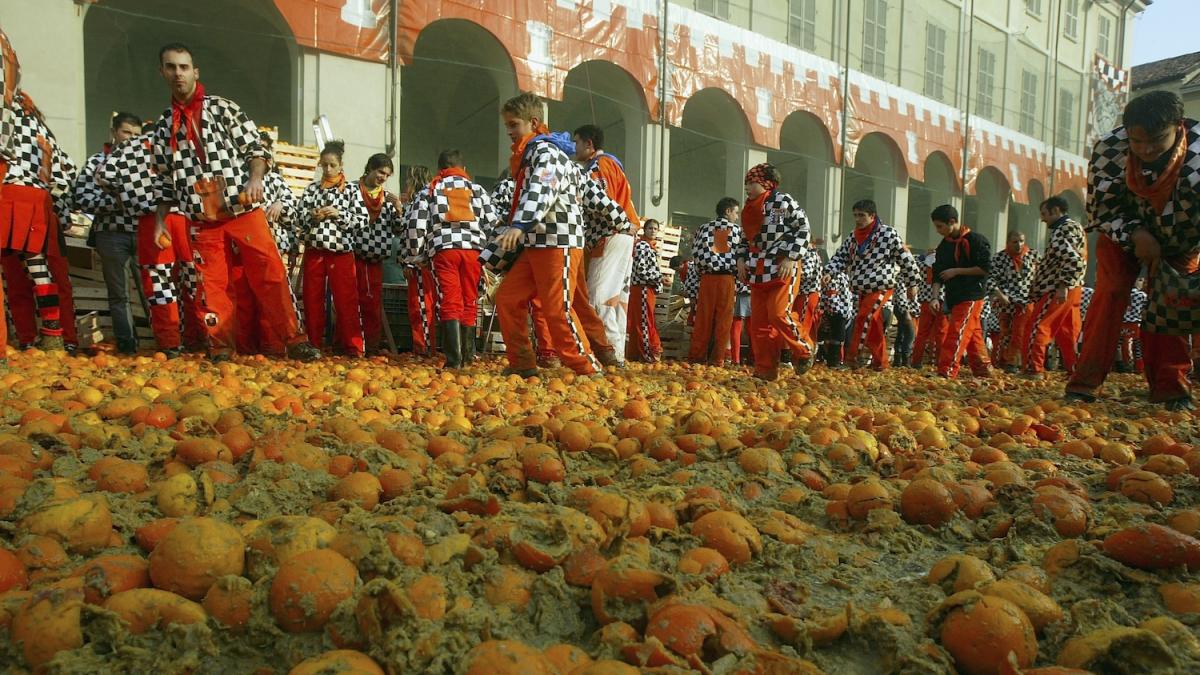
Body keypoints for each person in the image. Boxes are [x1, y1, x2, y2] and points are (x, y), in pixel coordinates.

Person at [150, 43, 318, 361]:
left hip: (242, 209)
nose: (178, 74)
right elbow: (163, 181)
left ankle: (295, 341)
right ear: (162, 72)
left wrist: (256, 178)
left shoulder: (222, 108)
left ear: (195, 72)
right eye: (171, 67)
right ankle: (220, 348)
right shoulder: (162, 128)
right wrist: (160, 220)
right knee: (211, 286)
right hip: (202, 220)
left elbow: (255, 149)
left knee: (271, 274)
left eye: (183, 67)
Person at [1067, 91, 1198, 409]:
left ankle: (1171, 388)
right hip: (1122, 233)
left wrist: (1170, 247)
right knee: (1110, 294)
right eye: (1137, 141)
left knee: (1171, 304)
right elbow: (1101, 210)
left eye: (1155, 140)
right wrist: (1138, 234)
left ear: (1178, 126)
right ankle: (1084, 383)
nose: (1146, 149)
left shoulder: (1196, 155)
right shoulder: (1108, 148)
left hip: (1183, 237)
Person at [490, 92, 628, 377]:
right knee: (507, 298)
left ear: (534, 122)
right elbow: (592, 193)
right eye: (508, 126)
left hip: (558, 241)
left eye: (514, 125)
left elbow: (542, 190)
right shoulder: (545, 155)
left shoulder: (546, 154)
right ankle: (523, 363)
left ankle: (587, 367)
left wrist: (519, 225)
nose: (509, 132)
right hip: (537, 243)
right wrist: (621, 218)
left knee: (557, 309)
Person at [100, 124, 205, 356]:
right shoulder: (185, 141)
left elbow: (104, 176)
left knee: (160, 282)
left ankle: (170, 344)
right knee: (195, 279)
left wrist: (128, 198)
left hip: (150, 218)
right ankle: (202, 339)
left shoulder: (130, 147)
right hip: (187, 217)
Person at [0, 83, 76, 352]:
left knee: (13, 277)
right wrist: (62, 213)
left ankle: (27, 337)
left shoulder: (5, 118)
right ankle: (54, 335)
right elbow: (66, 172)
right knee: (40, 272)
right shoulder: (44, 130)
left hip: (8, 195)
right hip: (40, 201)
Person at [407, 149, 496, 368]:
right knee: (469, 300)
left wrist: (415, 254)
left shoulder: (430, 189)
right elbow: (494, 223)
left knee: (450, 300)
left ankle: (453, 360)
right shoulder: (477, 189)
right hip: (474, 251)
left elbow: (416, 226)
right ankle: (466, 357)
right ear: (464, 169)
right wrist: (492, 254)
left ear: (440, 169)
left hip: (444, 250)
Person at [73, 111, 143, 354]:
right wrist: (121, 201)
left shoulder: (148, 165)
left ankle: (161, 343)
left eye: (136, 135)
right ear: (114, 133)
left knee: (153, 291)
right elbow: (81, 197)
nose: (131, 138)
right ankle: (127, 345)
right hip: (111, 234)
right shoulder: (95, 162)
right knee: (119, 294)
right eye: (126, 132)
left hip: (144, 235)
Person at [735, 163, 811, 380]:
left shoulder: (782, 200)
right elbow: (744, 238)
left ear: (765, 183)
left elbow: (803, 228)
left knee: (779, 314)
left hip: (782, 268)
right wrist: (741, 260)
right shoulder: (749, 209)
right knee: (759, 324)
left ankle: (804, 349)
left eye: (751, 183)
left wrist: (791, 257)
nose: (747, 187)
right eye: (746, 183)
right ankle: (765, 370)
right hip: (758, 271)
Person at [233, 131, 303, 356]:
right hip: (240, 249)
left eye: (264, 149)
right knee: (243, 300)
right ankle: (245, 348)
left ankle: (273, 348)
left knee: (271, 298)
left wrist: (281, 205)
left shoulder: (276, 181)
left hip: (271, 246)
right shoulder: (236, 178)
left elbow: (294, 210)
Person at [575, 124, 639, 363]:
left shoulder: (597, 167)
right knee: (616, 300)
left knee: (597, 299)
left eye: (577, 142)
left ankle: (608, 354)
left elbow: (602, 203)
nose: (574, 148)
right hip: (623, 235)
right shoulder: (613, 165)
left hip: (610, 235)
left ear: (589, 144)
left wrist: (620, 223)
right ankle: (618, 354)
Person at [299, 140, 367, 357]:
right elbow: (298, 217)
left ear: (341, 166)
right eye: (324, 165)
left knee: (347, 300)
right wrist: (312, 215)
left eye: (332, 165)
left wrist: (339, 215)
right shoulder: (311, 189)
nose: (327, 169)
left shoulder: (352, 190)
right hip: (315, 251)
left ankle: (353, 347)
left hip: (341, 252)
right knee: (311, 300)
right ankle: (313, 345)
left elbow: (363, 220)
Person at [825, 199, 908, 370]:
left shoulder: (889, 234)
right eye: (855, 215)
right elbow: (840, 257)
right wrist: (828, 272)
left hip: (881, 287)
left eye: (861, 215)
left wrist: (913, 283)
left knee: (863, 318)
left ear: (872, 216)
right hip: (862, 289)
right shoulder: (853, 236)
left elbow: (905, 258)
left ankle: (851, 359)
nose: (857, 219)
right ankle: (881, 363)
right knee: (873, 326)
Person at [1021, 196, 1087, 379]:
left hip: (1056, 287)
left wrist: (1062, 285)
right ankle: (1076, 371)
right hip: (1073, 287)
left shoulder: (1062, 229)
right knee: (1068, 333)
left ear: (1056, 210)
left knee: (1038, 326)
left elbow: (1072, 259)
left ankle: (1033, 369)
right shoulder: (1074, 227)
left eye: (1044, 214)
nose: (1042, 219)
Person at [929, 204, 993, 379]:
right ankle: (983, 370)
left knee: (957, 331)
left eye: (940, 226)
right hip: (954, 295)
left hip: (972, 294)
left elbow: (985, 268)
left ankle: (947, 371)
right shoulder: (944, 246)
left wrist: (956, 271)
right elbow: (937, 274)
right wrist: (934, 297)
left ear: (952, 222)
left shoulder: (976, 240)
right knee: (972, 334)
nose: (938, 230)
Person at [354, 153, 403, 356]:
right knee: (351, 303)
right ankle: (351, 345)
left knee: (373, 303)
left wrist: (399, 208)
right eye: (380, 172)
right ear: (370, 168)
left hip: (376, 259)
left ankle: (371, 346)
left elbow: (398, 229)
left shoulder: (388, 198)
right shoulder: (351, 191)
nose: (383, 177)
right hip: (353, 255)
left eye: (387, 174)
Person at [687, 197, 743, 364]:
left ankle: (696, 356)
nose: (737, 217)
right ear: (728, 211)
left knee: (703, 318)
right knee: (724, 321)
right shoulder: (737, 231)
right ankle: (717, 358)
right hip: (727, 280)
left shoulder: (703, 228)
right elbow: (741, 257)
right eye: (736, 212)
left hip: (707, 279)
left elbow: (695, 254)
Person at [399, 165, 438, 356]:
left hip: (421, 262)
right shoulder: (432, 197)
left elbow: (414, 231)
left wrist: (410, 260)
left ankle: (423, 349)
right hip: (427, 260)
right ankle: (426, 347)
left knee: (421, 306)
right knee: (425, 306)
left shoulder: (421, 199)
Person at [987, 230, 1039, 372]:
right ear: (1008, 242)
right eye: (1014, 242)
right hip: (1006, 301)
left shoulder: (1033, 255)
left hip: (1026, 301)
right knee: (1005, 333)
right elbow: (990, 279)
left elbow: (1040, 276)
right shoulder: (999, 258)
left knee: (1020, 332)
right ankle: (1003, 361)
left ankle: (1013, 363)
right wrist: (999, 295)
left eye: (1021, 241)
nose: (1018, 245)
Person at [628, 220, 665, 362]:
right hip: (643, 287)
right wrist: (660, 278)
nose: (653, 231)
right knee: (645, 321)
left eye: (656, 228)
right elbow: (641, 270)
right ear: (644, 229)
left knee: (642, 320)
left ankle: (636, 354)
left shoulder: (649, 247)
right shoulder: (643, 246)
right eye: (650, 228)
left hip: (646, 288)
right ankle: (647, 354)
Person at [910, 251, 947, 368]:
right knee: (941, 333)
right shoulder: (945, 264)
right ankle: (940, 362)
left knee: (922, 333)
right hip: (941, 301)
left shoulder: (921, 265)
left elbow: (911, 259)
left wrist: (924, 255)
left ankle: (916, 361)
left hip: (925, 302)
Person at [891, 245, 921, 366]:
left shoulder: (907, 277)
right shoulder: (903, 277)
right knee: (910, 334)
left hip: (905, 308)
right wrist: (907, 312)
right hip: (903, 308)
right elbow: (901, 296)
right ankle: (905, 359)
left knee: (902, 333)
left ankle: (898, 361)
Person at [818, 271, 853, 367]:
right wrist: (837, 311)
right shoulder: (834, 275)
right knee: (836, 337)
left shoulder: (845, 275)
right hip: (837, 312)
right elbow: (831, 294)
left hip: (843, 311)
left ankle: (833, 361)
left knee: (839, 337)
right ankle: (832, 362)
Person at [1117, 278, 1147, 373]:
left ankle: (1121, 365)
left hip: (1121, 322)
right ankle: (1139, 367)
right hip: (1135, 323)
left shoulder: (1122, 293)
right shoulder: (1142, 295)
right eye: (1141, 280)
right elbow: (1145, 309)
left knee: (1119, 344)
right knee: (1137, 345)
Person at [731, 275, 751, 365]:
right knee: (752, 327)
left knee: (736, 326)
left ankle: (735, 359)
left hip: (738, 289)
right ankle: (754, 358)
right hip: (756, 288)